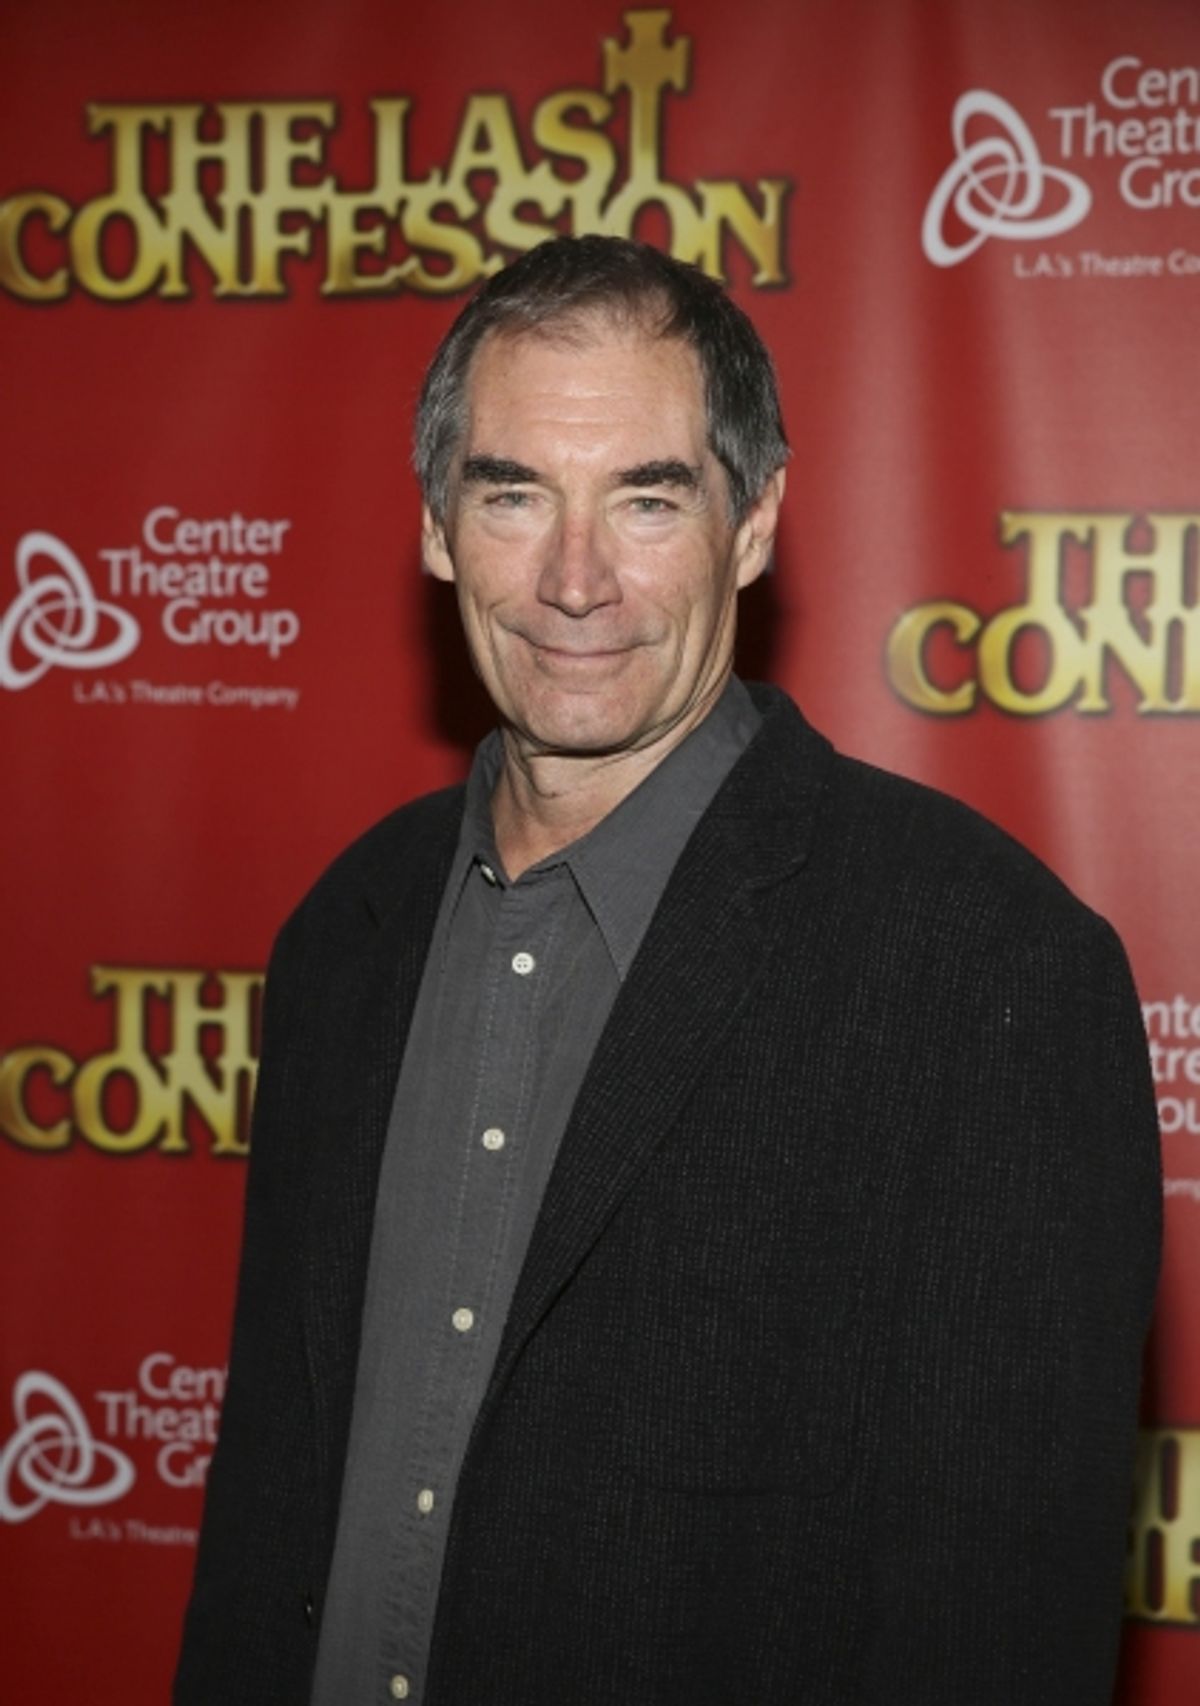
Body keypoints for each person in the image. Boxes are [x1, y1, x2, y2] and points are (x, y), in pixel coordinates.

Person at [175, 235, 1160, 1706]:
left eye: (648, 497)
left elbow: (996, 1627)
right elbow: (271, 1513)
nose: (576, 580)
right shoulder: (344, 935)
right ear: (439, 524)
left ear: (754, 524)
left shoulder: (985, 973)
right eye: (514, 493)